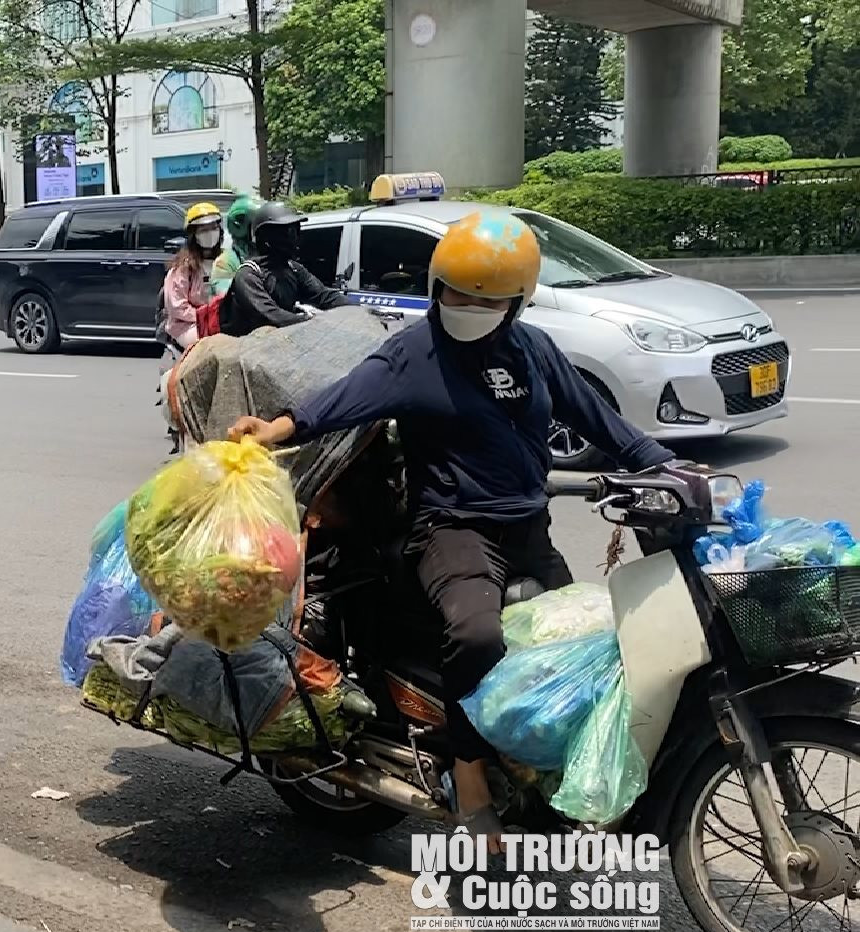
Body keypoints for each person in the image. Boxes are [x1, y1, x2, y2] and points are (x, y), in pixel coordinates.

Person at [225, 209, 673, 851]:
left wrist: (666, 466)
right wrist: (279, 428)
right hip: (450, 529)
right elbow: (348, 395)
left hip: (527, 528)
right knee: (477, 632)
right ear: (436, 286)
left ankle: (534, 767)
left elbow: (600, 421)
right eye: (455, 291)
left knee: (575, 646)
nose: (466, 305)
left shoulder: (535, 350)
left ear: (516, 302)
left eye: (484, 297)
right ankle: (469, 776)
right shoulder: (415, 351)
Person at [220, 201, 349, 336]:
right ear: (267, 238)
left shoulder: (293, 268)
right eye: (289, 233)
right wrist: (309, 320)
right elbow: (271, 315)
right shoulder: (248, 275)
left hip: (281, 343)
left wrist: (359, 309)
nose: (296, 239)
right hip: (248, 348)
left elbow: (324, 295)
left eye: (296, 231)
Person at [161, 202, 226, 351]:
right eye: (203, 230)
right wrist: (205, 316)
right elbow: (177, 307)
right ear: (193, 235)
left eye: (213, 228)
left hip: (221, 322)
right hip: (187, 325)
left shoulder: (227, 261)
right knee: (209, 348)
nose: (210, 233)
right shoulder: (183, 268)